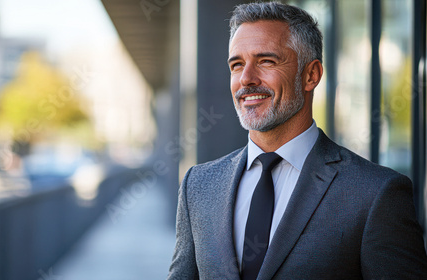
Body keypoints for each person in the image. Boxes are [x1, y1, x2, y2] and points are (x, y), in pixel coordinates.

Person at [167, 2, 427, 279]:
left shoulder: (375, 193)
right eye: (237, 64)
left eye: (266, 61)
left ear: (310, 75)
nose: (246, 79)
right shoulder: (198, 186)